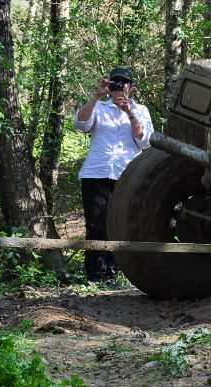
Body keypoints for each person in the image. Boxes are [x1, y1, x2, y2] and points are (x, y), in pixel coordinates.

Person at [74, 67, 153, 282]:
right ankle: (96, 276)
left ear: (131, 86)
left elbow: (144, 141)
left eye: (124, 82)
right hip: (96, 173)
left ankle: (116, 274)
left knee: (121, 226)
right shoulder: (99, 107)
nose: (119, 86)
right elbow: (80, 123)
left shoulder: (141, 110)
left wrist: (130, 112)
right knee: (96, 226)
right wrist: (96, 95)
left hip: (126, 176)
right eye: (115, 82)